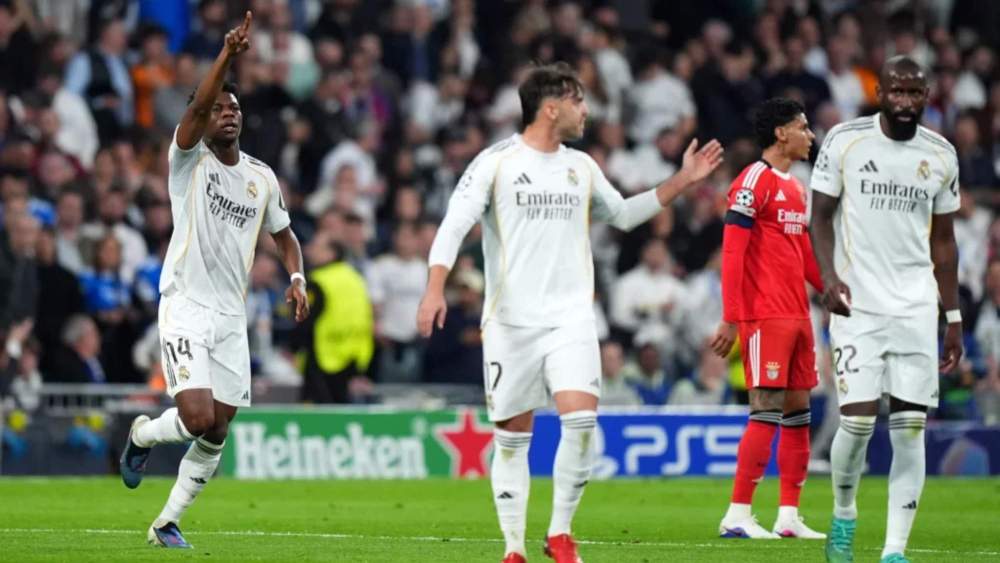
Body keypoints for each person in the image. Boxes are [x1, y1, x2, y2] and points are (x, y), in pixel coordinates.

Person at [416, 62, 723, 563]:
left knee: (581, 421)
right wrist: (434, 289)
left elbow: (622, 214)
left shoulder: (581, 167)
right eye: (579, 100)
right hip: (511, 322)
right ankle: (514, 548)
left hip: (572, 319)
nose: (587, 110)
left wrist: (683, 180)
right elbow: (452, 226)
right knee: (513, 438)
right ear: (551, 106)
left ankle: (559, 534)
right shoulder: (495, 162)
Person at [116, 12, 310, 549]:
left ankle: (165, 523)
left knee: (219, 429)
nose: (226, 114)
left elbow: (286, 234)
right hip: (185, 304)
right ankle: (143, 434)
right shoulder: (188, 161)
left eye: (235, 108)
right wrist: (226, 55)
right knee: (197, 416)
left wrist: (296, 275)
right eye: (218, 108)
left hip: (231, 314)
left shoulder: (261, 178)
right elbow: (198, 104)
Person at [809, 56, 963, 563]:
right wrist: (829, 279)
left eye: (914, 93)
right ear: (880, 94)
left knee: (910, 427)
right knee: (855, 424)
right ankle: (845, 513)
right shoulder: (845, 140)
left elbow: (945, 243)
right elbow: (821, 218)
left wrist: (953, 317)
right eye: (896, 92)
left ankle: (894, 550)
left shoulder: (941, 154)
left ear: (926, 97)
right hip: (859, 305)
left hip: (917, 307)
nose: (904, 102)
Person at [710, 97, 825, 540]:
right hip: (765, 313)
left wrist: (830, 290)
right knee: (766, 408)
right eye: (803, 127)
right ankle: (737, 514)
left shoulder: (796, 187)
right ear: (781, 133)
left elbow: (804, 252)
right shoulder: (751, 181)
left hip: (797, 312)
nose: (810, 135)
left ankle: (789, 516)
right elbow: (733, 250)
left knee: (799, 412)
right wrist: (731, 317)